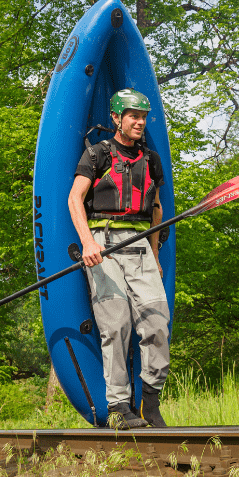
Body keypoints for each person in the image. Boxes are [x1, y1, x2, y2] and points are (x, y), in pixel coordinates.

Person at [67, 88, 170, 428]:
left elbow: (156, 209)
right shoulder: (97, 154)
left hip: (141, 246)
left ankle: (150, 401)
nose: (139, 122)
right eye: (133, 116)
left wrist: (155, 254)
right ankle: (118, 407)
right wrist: (88, 243)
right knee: (116, 324)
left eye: (143, 117)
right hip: (104, 243)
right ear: (116, 118)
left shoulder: (151, 160)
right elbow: (75, 199)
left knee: (157, 322)